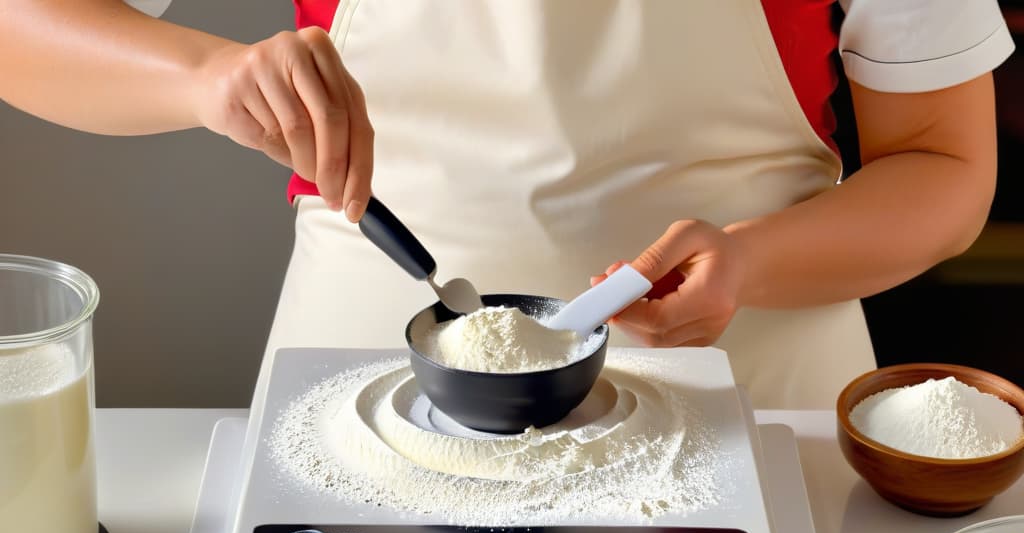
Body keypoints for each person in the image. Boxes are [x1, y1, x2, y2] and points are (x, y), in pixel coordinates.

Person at [0, 1, 1014, 409]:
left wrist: (754, 260)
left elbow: (942, 161)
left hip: (751, 382)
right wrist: (205, 78)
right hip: (370, 386)